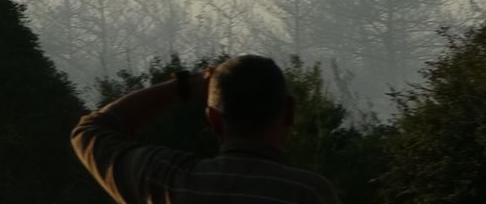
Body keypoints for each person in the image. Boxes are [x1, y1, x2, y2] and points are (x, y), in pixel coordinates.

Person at [71, 54, 341, 204]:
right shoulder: (307, 193)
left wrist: (186, 85)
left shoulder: (168, 181)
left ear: (213, 119)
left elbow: (91, 131)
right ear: (289, 112)